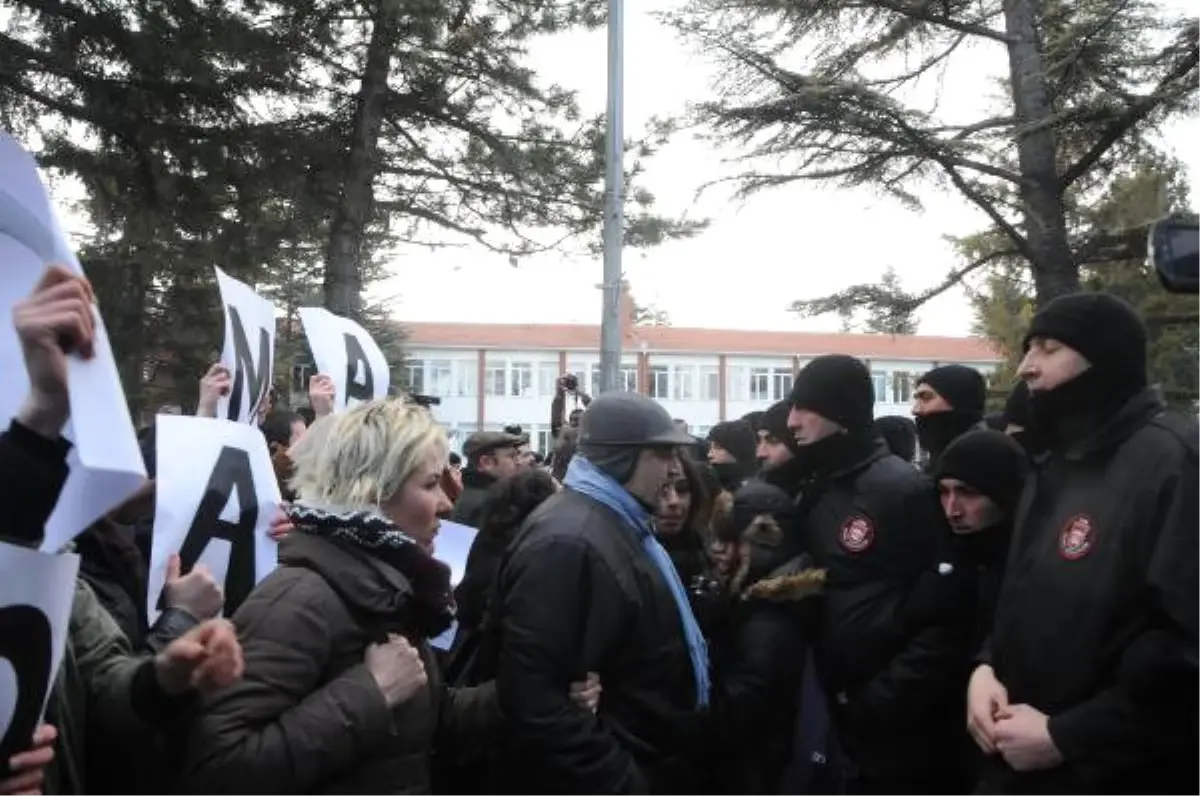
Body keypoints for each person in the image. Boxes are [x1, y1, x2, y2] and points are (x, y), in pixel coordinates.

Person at [968, 292, 1200, 795]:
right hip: (1012, 764)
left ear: (1105, 359)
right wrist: (986, 667)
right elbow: (1023, 592)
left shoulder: (1173, 462)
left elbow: (1185, 647)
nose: (1027, 367)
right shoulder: (1053, 462)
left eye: (1048, 349)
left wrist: (1070, 736)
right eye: (1028, 349)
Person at [494, 391, 704, 795]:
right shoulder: (571, 542)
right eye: (664, 454)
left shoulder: (616, 523)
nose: (675, 469)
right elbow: (536, 700)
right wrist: (623, 781)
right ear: (621, 457)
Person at [787, 354, 968, 795]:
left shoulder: (900, 490)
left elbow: (947, 610)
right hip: (823, 713)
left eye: (806, 406)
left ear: (842, 411)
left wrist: (878, 699)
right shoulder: (813, 486)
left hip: (892, 731)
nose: (792, 420)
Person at [911, 364, 987, 465]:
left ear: (959, 399)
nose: (915, 410)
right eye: (917, 399)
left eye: (926, 397)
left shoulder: (983, 460)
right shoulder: (942, 459)